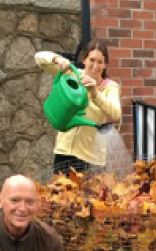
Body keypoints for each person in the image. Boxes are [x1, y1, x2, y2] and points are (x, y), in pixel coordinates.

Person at [35, 41, 122, 175]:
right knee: (60, 195)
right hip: (65, 152)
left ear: (105, 65)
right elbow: (39, 57)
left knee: (90, 196)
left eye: (100, 62)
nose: (95, 66)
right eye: (92, 60)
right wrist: (58, 60)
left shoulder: (109, 87)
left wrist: (95, 93)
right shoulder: (73, 74)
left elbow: (116, 113)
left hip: (93, 160)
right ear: (84, 60)